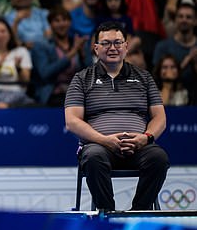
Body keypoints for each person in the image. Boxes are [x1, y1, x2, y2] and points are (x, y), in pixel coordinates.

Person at [64, 21, 169, 211]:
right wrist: (104, 140)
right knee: (93, 157)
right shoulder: (81, 78)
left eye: (118, 43)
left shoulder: (144, 77)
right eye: (105, 43)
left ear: (126, 46)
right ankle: (108, 214)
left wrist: (145, 138)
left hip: (138, 146)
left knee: (158, 157)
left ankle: (139, 211)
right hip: (98, 147)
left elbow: (160, 118)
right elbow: (72, 121)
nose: (112, 48)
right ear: (96, 48)